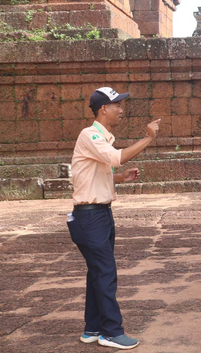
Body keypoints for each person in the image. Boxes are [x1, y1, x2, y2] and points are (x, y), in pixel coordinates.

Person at [68, 87, 160, 350]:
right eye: (117, 104)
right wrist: (148, 138)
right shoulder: (90, 134)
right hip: (90, 218)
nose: (121, 109)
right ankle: (111, 331)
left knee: (97, 274)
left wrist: (119, 179)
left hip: (99, 214)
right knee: (105, 273)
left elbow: (95, 172)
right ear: (103, 109)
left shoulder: (101, 137)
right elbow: (117, 158)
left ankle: (93, 328)